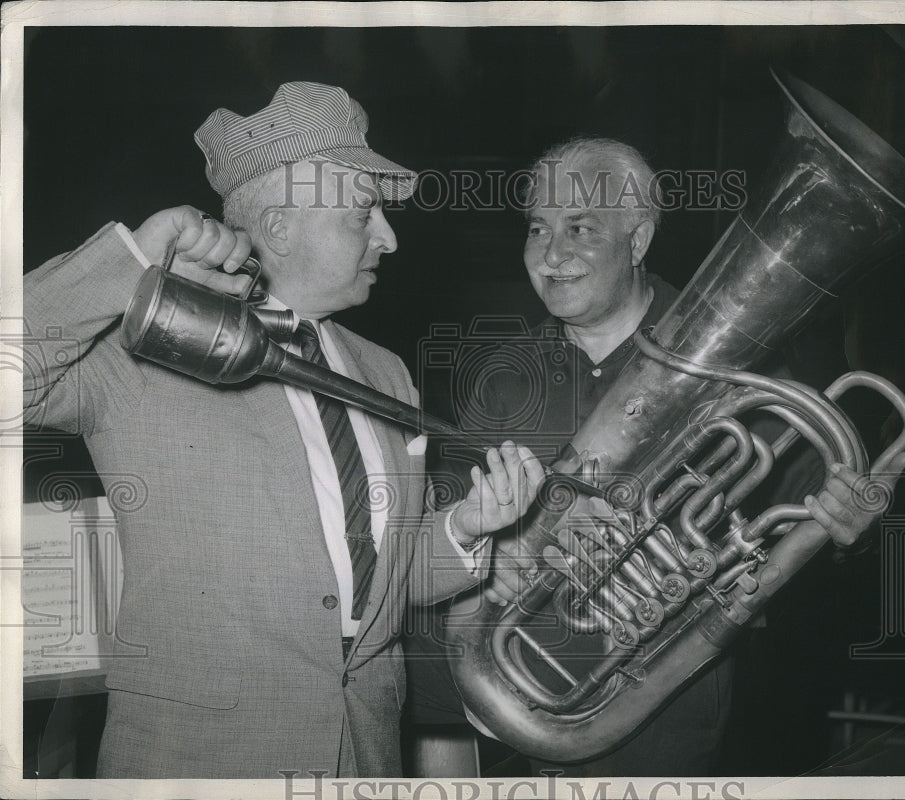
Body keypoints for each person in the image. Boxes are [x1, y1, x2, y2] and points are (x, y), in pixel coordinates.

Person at [22, 81, 544, 779]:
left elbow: (381, 583)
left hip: (366, 748)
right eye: (366, 215)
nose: (389, 237)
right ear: (278, 229)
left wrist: (466, 529)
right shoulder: (137, 345)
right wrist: (134, 257)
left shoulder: (384, 371)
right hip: (199, 761)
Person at [402, 137, 905, 777]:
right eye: (538, 229)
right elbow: (434, 540)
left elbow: (811, 526)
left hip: (661, 727)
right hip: (498, 722)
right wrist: (487, 558)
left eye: (579, 229)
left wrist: (847, 529)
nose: (551, 255)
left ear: (637, 240)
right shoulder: (500, 379)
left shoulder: (747, 374)